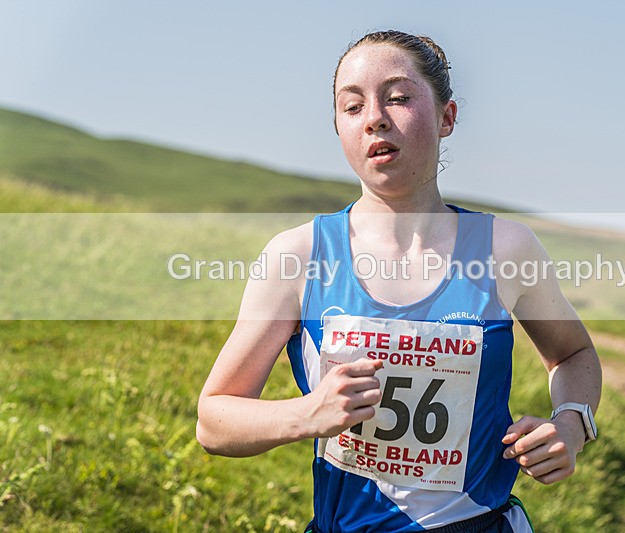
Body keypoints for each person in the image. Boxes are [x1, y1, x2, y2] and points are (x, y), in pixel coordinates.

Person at [196, 30, 602, 533]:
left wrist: (571, 424)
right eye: (352, 106)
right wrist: (306, 414)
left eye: (399, 98)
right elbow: (214, 420)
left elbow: (573, 355)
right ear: (338, 126)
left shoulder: (507, 248)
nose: (375, 119)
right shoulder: (297, 256)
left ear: (447, 117)